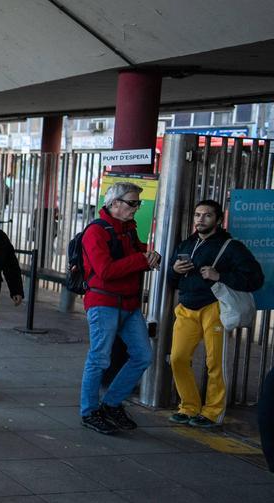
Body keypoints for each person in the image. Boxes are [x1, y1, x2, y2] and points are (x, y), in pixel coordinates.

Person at [168, 199, 264, 428]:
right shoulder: (185, 245)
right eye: (197, 214)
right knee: (177, 358)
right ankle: (189, 406)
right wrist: (175, 270)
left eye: (207, 215)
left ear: (219, 220)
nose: (200, 219)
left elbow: (255, 279)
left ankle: (212, 412)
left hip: (214, 308)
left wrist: (219, 276)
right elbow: (172, 281)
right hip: (186, 307)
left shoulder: (231, 247)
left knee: (215, 362)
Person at [78, 181, 160, 435]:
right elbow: (105, 271)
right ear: (114, 203)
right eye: (132, 203)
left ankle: (111, 404)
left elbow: (138, 254)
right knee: (99, 359)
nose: (136, 208)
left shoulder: (128, 230)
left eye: (138, 203)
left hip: (129, 304)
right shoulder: (96, 231)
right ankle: (89, 411)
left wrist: (151, 255)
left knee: (143, 356)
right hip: (103, 303)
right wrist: (141, 260)